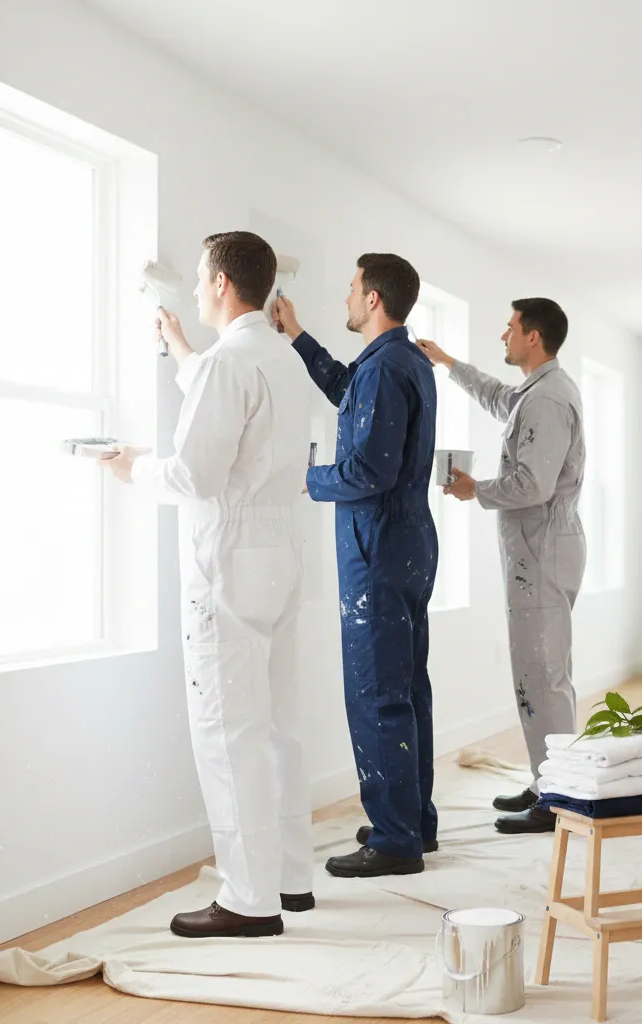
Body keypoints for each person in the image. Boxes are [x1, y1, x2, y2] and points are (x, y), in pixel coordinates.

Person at [103, 231, 314, 936]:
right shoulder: (281, 358)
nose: (194, 290)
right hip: (282, 555)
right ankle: (290, 879)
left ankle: (248, 901)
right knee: (280, 726)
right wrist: (180, 350)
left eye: (200, 278)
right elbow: (235, 406)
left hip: (228, 559)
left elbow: (196, 473)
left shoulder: (231, 363)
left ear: (223, 284)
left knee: (228, 732)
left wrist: (131, 466)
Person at [273, 254, 439, 877]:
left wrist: (301, 476)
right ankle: (413, 822)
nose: (346, 296)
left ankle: (395, 840)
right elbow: (351, 396)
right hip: (408, 545)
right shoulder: (403, 361)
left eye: (350, 288)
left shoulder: (388, 366)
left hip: (379, 551)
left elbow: (369, 470)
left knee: (376, 692)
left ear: (373, 299)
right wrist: (298, 336)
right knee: (407, 687)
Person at [419, 298, 585, 834]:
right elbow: (498, 396)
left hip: (542, 550)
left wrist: (475, 490)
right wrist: (447, 361)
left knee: (544, 674)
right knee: (537, 671)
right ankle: (547, 781)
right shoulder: (536, 393)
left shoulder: (549, 400)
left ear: (533, 336)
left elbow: (533, 485)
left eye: (510, 327)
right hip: (535, 551)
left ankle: (558, 798)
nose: (503, 335)